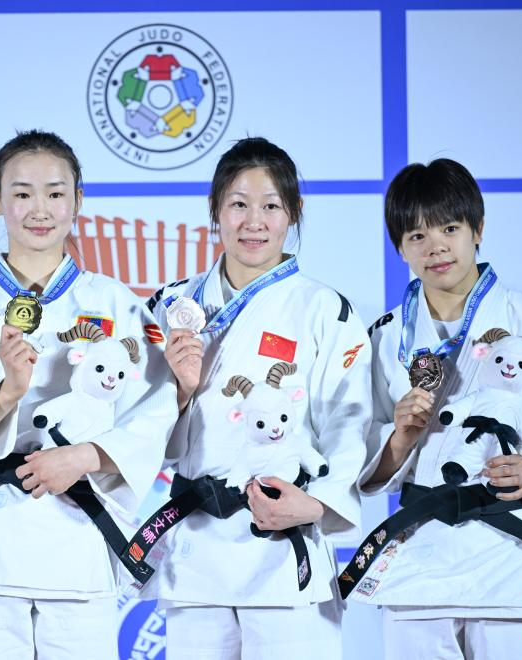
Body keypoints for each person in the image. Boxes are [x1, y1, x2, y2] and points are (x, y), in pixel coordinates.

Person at [0, 129, 177, 659]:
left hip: (79, 537)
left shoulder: (117, 302)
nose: (40, 209)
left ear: (78, 200)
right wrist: (4, 395)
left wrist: (86, 455)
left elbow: (156, 410)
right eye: (22, 192)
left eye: (55, 193)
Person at [351, 158, 522, 659]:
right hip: (420, 561)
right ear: (400, 247)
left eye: (450, 228)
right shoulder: (386, 336)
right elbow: (357, 447)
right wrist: (399, 438)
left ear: (478, 229)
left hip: (514, 554)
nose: (436, 247)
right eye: (417, 235)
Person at [149, 137, 370, 659]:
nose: (254, 222)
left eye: (271, 206)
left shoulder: (325, 309)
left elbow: (350, 421)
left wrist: (315, 504)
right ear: (215, 209)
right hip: (197, 546)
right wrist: (179, 391)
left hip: (282, 540)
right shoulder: (171, 305)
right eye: (238, 204)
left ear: (293, 212)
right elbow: (134, 424)